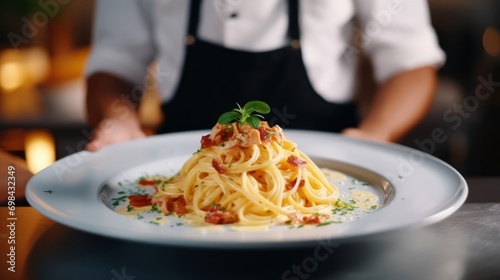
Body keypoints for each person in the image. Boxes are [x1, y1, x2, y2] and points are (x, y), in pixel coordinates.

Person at [85, 0, 445, 151]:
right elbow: (115, 61)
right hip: (182, 170)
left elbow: (410, 61)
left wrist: (374, 134)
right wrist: (118, 121)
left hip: (327, 168)